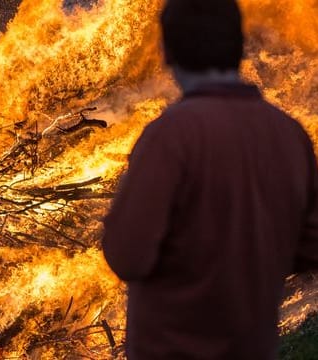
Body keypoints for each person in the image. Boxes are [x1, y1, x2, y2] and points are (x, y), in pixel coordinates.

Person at [101, 0, 318, 359]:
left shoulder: (170, 136)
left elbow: (126, 255)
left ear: (168, 52)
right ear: (238, 45)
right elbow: (310, 246)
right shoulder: (290, 134)